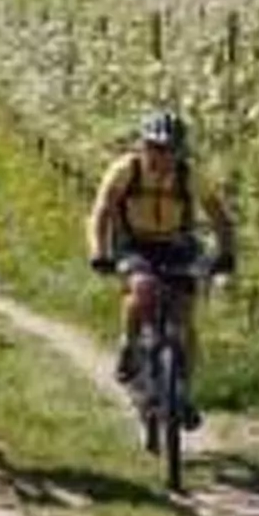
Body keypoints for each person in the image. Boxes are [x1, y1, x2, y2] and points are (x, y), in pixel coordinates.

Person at [86, 109, 237, 429]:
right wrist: (99, 251)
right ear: (142, 146)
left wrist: (226, 253)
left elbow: (220, 217)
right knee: (142, 289)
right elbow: (100, 212)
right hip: (134, 243)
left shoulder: (189, 175)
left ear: (179, 151)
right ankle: (128, 345)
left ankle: (183, 391)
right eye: (154, 147)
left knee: (185, 313)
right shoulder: (125, 170)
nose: (161, 156)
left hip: (176, 244)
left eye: (168, 150)